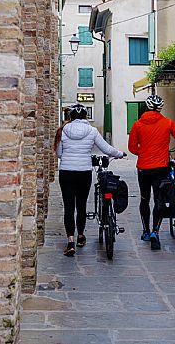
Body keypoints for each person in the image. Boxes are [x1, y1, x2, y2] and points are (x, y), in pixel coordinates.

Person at [54, 103, 126, 256]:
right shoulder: (92, 131)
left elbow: (59, 153)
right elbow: (106, 149)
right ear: (86, 116)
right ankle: (81, 237)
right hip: (84, 172)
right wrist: (120, 153)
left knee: (68, 207)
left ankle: (70, 241)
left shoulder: (62, 130)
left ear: (70, 116)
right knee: (81, 205)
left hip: (66, 172)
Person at [128, 94, 175, 251]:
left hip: (143, 168)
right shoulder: (168, 123)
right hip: (161, 168)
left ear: (147, 107)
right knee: (159, 199)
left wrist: (142, 153)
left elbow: (132, 147)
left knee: (144, 199)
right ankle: (155, 232)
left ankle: (145, 231)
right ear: (160, 108)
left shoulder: (137, 124)